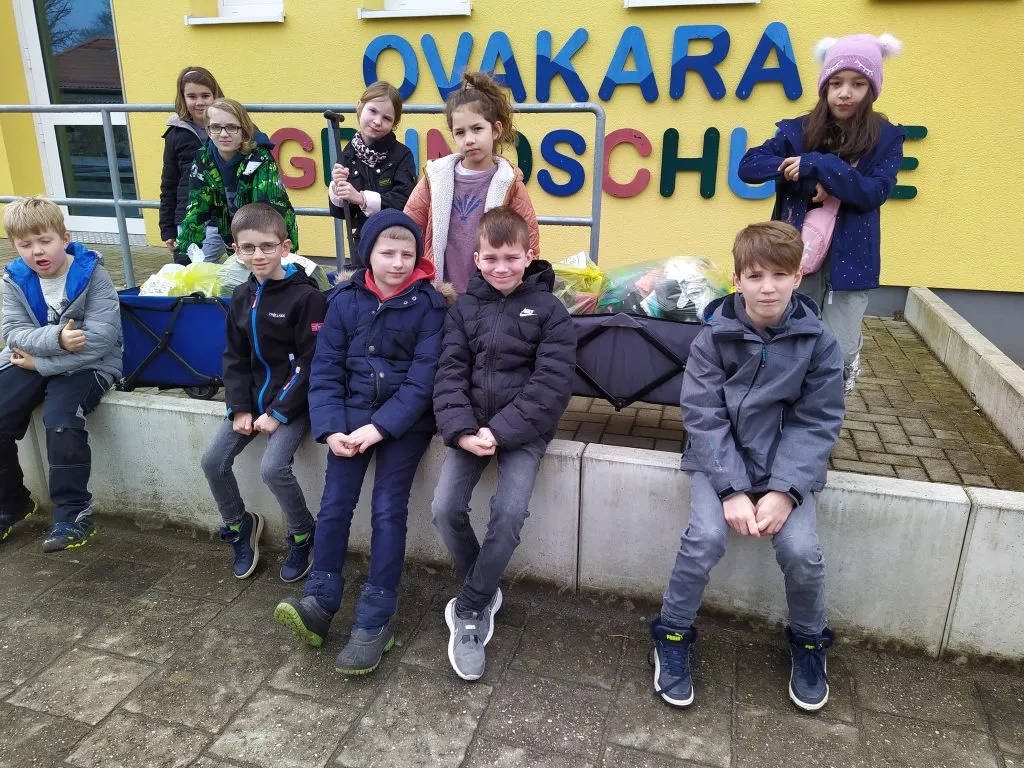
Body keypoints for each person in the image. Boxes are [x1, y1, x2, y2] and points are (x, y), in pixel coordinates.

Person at [650, 222, 844, 712]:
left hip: (786, 468)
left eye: (780, 274)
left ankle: (808, 642)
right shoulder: (713, 338)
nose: (768, 287)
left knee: (801, 550)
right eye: (755, 275)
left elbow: (817, 421)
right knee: (706, 537)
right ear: (737, 279)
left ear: (799, 276)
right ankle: (672, 635)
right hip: (719, 464)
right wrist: (732, 489)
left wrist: (784, 491)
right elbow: (702, 416)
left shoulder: (819, 343)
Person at [274, 210, 449, 676]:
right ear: (367, 253)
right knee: (334, 505)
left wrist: (381, 428)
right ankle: (321, 600)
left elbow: (422, 380)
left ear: (418, 257)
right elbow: (325, 368)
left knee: (387, 509)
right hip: (347, 420)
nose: (397, 262)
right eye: (387, 253)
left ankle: (375, 618)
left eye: (407, 254)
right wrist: (331, 429)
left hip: (404, 425)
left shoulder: (430, 306)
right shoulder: (345, 299)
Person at [431, 206, 576, 681]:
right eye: (490, 258)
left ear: (529, 255)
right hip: (469, 427)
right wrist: (463, 430)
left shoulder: (551, 312)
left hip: (524, 433)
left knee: (509, 514)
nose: (501, 267)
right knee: (444, 508)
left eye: (511, 257)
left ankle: (470, 608)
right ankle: (483, 583)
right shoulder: (465, 309)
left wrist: (502, 431)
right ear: (475, 259)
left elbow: (551, 384)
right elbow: (450, 372)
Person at [738, 34, 904, 393]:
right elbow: (749, 166)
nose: (845, 93)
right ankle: (785, 413)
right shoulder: (799, 130)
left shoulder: (886, 138)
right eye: (836, 83)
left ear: (872, 89)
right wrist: (799, 176)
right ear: (824, 87)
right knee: (792, 340)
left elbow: (874, 192)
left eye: (858, 84)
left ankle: (825, 412)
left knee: (838, 350)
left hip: (851, 259)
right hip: (796, 253)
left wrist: (818, 164)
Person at [199, 203, 325, 580]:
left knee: (273, 468)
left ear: (285, 247)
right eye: (248, 248)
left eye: (267, 246)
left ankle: (303, 532)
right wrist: (239, 408)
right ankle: (240, 525)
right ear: (235, 251)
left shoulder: (308, 297)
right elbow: (234, 357)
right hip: (252, 400)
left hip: (293, 402)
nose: (258, 255)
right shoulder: (241, 296)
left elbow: (310, 361)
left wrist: (279, 412)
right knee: (211, 462)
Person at [0, 197, 122, 552]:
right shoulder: (13, 279)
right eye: (26, 244)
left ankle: (72, 514)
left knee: (61, 421)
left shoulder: (92, 273)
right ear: (14, 246)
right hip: (32, 359)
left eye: (45, 240)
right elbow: (13, 333)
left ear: (64, 237)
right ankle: (12, 503)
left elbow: (100, 340)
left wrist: (42, 363)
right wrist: (57, 340)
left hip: (89, 365)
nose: (37, 251)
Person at [404, 71, 539, 295]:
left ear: (495, 130)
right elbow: (407, 225)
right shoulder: (435, 178)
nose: (469, 139)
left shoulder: (510, 184)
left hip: (490, 296)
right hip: (440, 293)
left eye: (477, 129)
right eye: (460, 132)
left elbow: (530, 240)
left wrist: (524, 293)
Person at [175, 98, 299, 263]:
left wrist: (254, 253)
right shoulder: (203, 158)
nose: (224, 134)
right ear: (208, 130)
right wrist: (183, 255)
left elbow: (265, 211)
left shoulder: (260, 158)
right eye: (216, 127)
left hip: (273, 243)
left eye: (232, 127)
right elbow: (197, 208)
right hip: (236, 242)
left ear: (244, 130)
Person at [328, 81, 417, 252]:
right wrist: (337, 189)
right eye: (373, 111)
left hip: (394, 243)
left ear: (394, 124)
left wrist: (362, 199)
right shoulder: (348, 154)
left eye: (387, 118)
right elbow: (342, 214)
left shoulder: (402, 155)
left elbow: (405, 201)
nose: (377, 121)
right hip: (363, 244)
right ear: (360, 107)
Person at [159, 66, 226, 263]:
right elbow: (169, 183)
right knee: (188, 276)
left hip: (224, 218)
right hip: (188, 219)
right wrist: (167, 228)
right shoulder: (176, 134)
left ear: (215, 95)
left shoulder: (231, 127)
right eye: (192, 96)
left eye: (205, 95)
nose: (199, 102)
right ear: (183, 98)